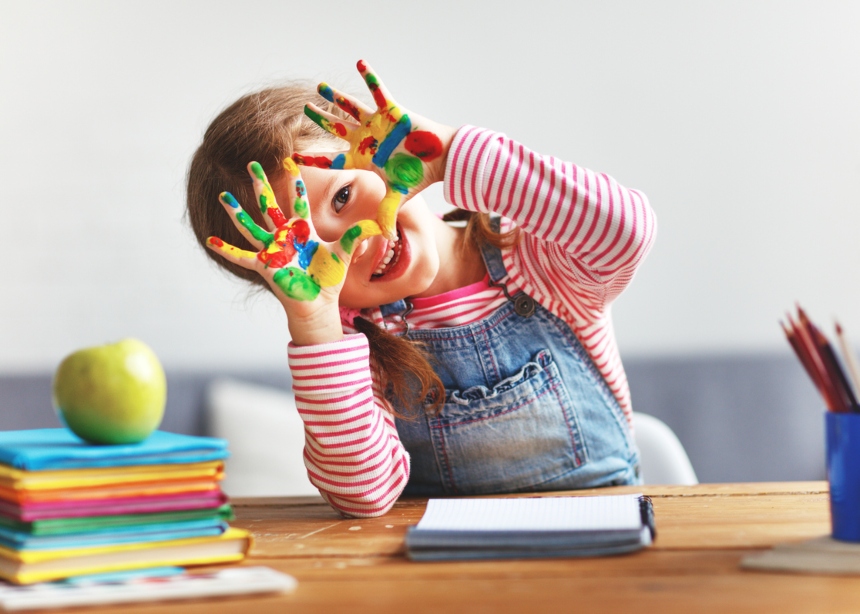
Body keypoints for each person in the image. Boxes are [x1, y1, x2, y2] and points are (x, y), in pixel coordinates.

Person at [186, 60, 657, 518]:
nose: (355, 240)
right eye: (306, 251)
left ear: (383, 154)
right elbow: (363, 495)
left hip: (605, 533)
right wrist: (316, 324)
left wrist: (448, 153)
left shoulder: (535, 258)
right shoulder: (354, 344)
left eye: (342, 196)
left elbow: (624, 231)